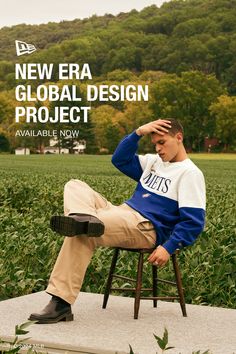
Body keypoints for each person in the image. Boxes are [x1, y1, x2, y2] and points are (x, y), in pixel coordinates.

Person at [29, 118, 206, 324]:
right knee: (75, 185)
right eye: (155, 143)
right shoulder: (154, 162)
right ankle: (83, 219)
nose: (158, 148)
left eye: (162, 142)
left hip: (145, 227)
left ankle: (60, 302)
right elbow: (119, 159)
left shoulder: (190, 174)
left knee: (82, 233)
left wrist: (168, 247)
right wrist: (138, 132)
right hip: (122, 213)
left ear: (179, 138)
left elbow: (193, 222)